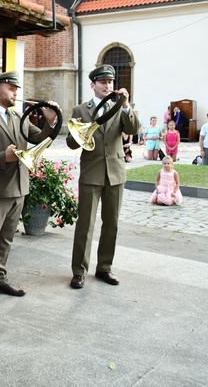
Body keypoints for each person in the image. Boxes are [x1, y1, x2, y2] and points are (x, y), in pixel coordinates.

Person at [0, 71, 58, 307]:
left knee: (6, 239)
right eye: (11, 88)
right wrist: (2, 156)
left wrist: (51, 121)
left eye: (16, 88)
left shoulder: (19, 116)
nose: (16, 92)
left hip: (18, 187)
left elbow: (39, 139)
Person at [67, 64, 139, 289]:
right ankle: (79, 271)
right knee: (85, 224)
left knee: (112, 224)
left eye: (110, 82)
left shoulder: (120, 106)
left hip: (115, 173)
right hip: (91, 172)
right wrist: (78, 131)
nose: (107, 85)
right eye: (103, 82)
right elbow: (70, 144)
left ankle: (104, 268)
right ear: (93, 85)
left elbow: (134, 130)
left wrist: (126, 106)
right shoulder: (80, 110)